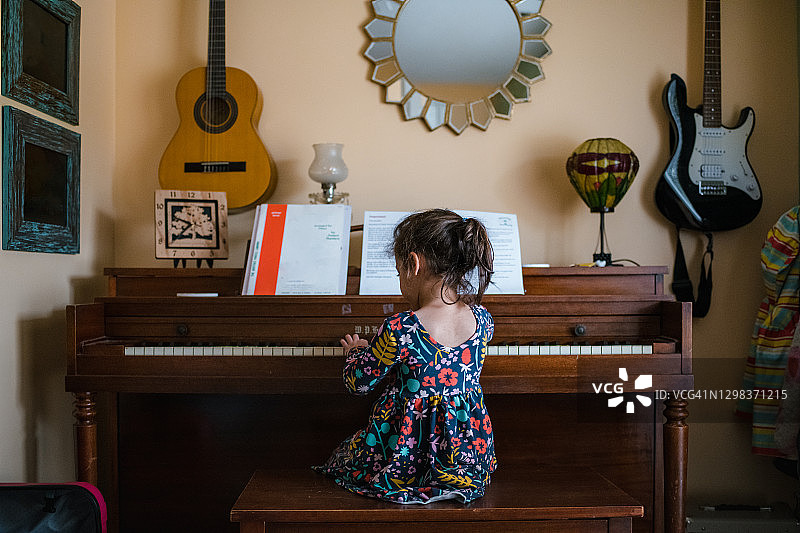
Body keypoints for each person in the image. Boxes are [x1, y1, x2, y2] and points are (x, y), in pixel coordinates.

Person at [314, 208, 497, 504]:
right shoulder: (483, 320)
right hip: (466, 455)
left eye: (398, 271)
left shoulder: (402, 328)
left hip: (407, 456)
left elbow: (359, 383)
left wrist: (355, 351)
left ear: (413, 264)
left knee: (343, 457)